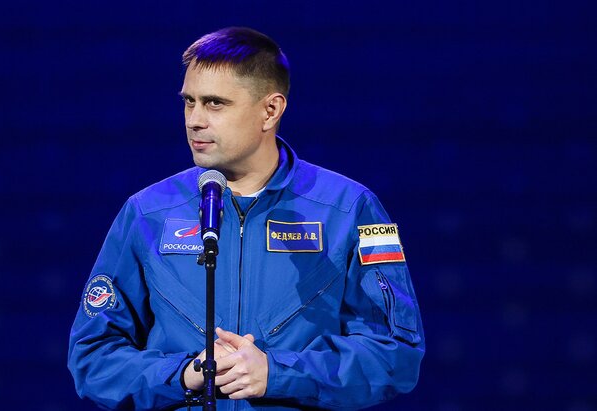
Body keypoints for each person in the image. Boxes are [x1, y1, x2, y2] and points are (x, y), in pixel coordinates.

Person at [68, 27, 424, 410]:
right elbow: (92, 358)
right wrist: (186, 374)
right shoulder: (147, 212)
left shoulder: (350, 209)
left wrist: (277, 373)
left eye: (215, 103)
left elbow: (395, 354)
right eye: (189, 102)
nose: (194, 120)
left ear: (270, 110)